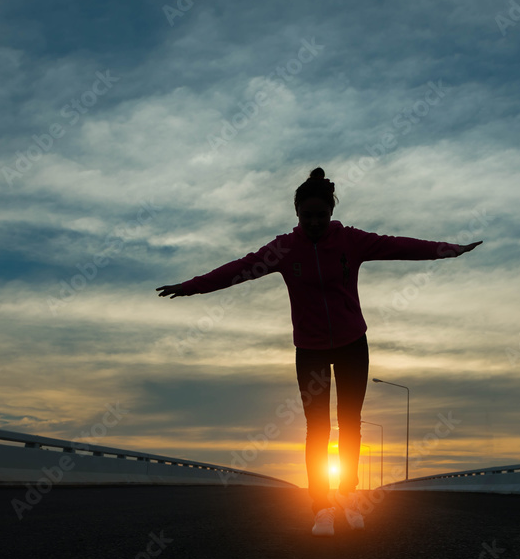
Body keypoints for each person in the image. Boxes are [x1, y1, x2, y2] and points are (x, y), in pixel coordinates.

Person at [156, 167, 481, 536]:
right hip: (309, 349)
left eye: (320, 216)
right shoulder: (283, 249)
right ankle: (322, 507)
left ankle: (348, 497)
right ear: (296, 214)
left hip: (352, 344)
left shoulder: (350, 241)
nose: (313, 223)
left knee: (350, 425)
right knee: (317, 427)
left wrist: (449, 250)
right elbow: (239, 269)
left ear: (331, 213)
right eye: (306, 216)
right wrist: (190, 287)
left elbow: (399, 245)